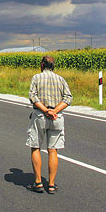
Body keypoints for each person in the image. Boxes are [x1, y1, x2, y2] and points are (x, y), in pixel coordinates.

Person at [26, 55, 72, 194]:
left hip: (40, 115)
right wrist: (54, 111)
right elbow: (68, 98)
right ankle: (51, 184)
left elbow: (33, 97)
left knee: (35, 147)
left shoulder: (36, 78)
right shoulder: (60, 79)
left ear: (41, 65)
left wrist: (46, 110)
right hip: (57, 117)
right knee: (53, 150)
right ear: (53, 66)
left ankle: (38, 182)